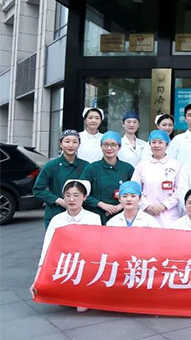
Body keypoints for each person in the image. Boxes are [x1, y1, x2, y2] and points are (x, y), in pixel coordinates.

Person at [30, 180, 101, 311]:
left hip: (85, 264)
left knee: (81, 306)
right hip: (64, 263)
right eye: (67, 195)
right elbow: (47, 248)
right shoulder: (57, 220)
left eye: (76, 195)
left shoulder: (93, 218)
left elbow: (96, 248)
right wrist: (37, 279)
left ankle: (85, 295)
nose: (71, 199)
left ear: (84, 197)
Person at [33, 130, 89, 228]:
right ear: (60, 144)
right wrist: (58, 200)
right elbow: (38, 190)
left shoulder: (85, 166)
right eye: (67, 141)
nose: (71, 145)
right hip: (56, 213)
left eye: (75, 142)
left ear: (79, 144)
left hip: (80, 216)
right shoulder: (51, 166)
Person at [131, 130, 185, 227]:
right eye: (154, 142)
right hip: (146, 213)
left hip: (169, 214)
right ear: (149, 144)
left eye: (160, 142)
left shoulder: (176, 165)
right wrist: (146, 206)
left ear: (167, 145)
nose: (157, 145)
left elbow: (180, 190)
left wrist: (164, 205)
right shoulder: (142, 165)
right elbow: (134, 189)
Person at [80, 131, 135, 224]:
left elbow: (135, 192)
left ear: (119, 147)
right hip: (96, 215)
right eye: (105, 145)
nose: (109, 148)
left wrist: (120, 206)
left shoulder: (127, 168)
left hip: (122, 215)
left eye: (113, 145)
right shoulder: (91, 168)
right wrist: (101, 204)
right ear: (101, 146)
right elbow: (81, 192)